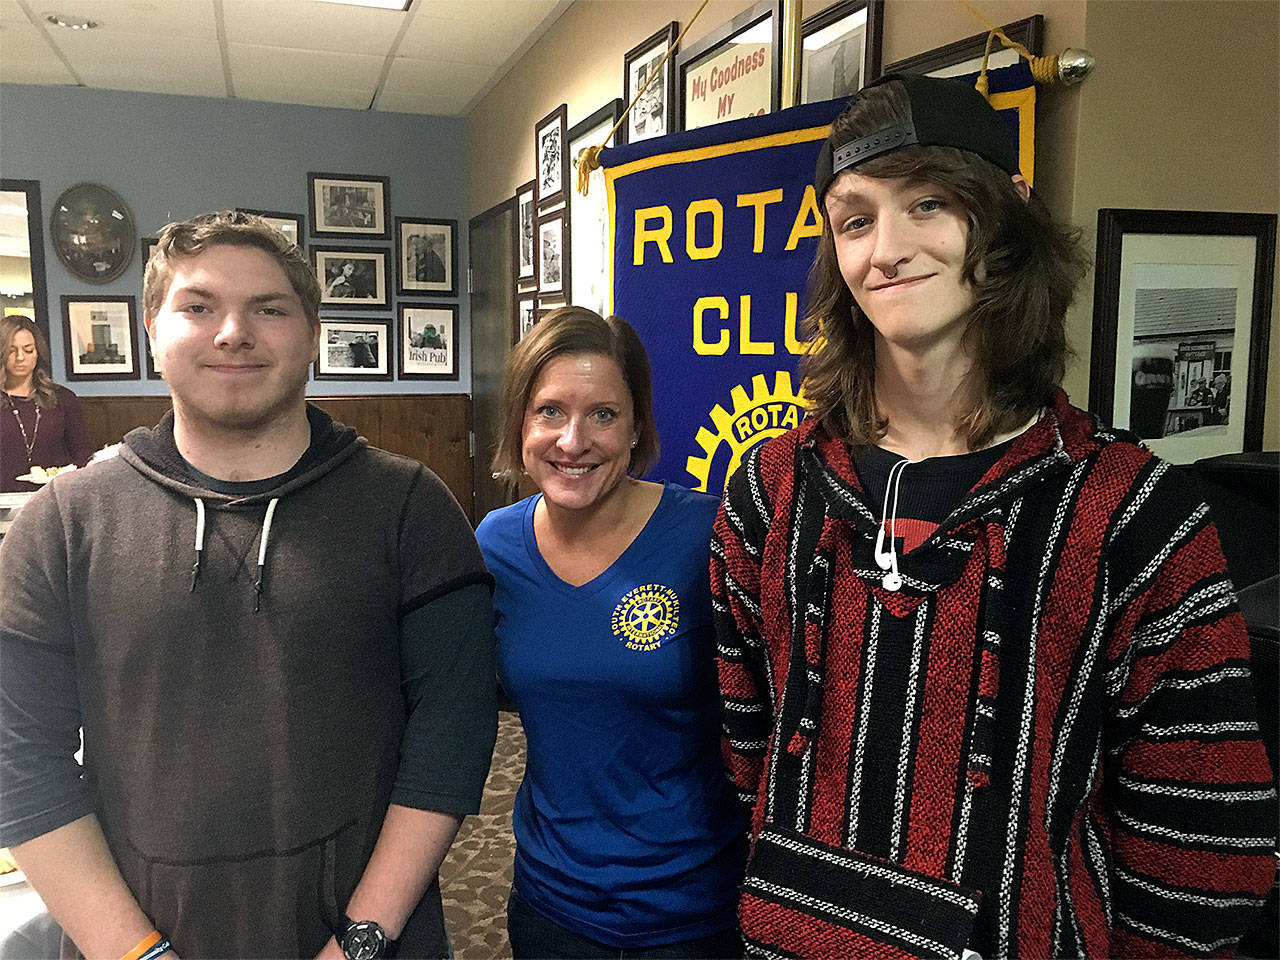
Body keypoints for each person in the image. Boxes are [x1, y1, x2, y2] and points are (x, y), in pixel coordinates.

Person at [712, 74, 1275, 959]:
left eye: (926, 204)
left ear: (1006, 216)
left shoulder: (1131, 512)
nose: (886, 249)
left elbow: (1205, 840)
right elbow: (749, 750)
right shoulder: (771, 489)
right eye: (855, 219)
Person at [0, 211, 497, 959]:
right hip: (137, 939)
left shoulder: (410, 509)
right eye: (198, 307)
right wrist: (134, 952)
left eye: (269, 308)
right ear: (150, 329)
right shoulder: (64, 523)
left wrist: (363, 940)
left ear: (313, 331)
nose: (233, 331)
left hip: (368, 937)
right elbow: (18, 756)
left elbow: (450, 744)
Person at [476, 307, 746, 959]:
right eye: (549, 412)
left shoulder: (708, 535)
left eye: (603, 413)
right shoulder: (495, 545)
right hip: (549, 901)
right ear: (520, 424)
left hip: (692, 910)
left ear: (635, 429)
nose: (573, 440)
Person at [1, 315, 96, 491]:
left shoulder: (63, 398)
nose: (20, 357)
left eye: (28, 350)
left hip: (56, 497)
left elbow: (82, 452)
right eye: (11, 351)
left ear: (38, 352)